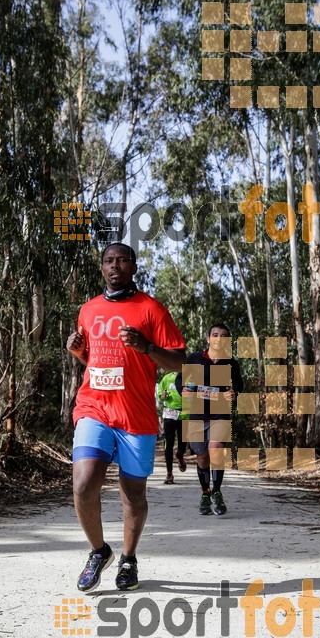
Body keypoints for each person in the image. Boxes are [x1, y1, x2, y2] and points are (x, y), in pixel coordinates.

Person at [66, 243, 186, 592]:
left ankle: (129, 559)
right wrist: (80, 353)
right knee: (84, 483)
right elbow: (98, 364)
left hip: (135, 415)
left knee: (132, 495)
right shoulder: (88, 310)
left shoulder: (151, 309)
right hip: (94, 407)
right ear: (101, 268)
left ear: (133, 267)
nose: (114, 266)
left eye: (121, 260)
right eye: (108, 261)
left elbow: (179, 363)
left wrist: (146, 347)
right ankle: (98, 551)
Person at [176, 324, 243, 516]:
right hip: (197, 413)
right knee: (202, 457)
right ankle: (205, 493)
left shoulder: (231, 363)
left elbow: (239, 386)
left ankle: (217, 491)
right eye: (215, 335)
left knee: (216, 450)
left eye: (223, 336)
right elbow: (180, 379)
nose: (219, 338)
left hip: (220, 413)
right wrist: (184, 389)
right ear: (208, 339)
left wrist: (234, 392)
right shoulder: (195, 359)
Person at [157, 371, 188, 484]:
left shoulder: (189, 376)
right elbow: (160, 394)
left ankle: (180, 455)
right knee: (168, 445)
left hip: (185, 415)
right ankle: (169, 474)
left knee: (182, 446)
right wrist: (162, 396)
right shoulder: (166, 378)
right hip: (169, 415)